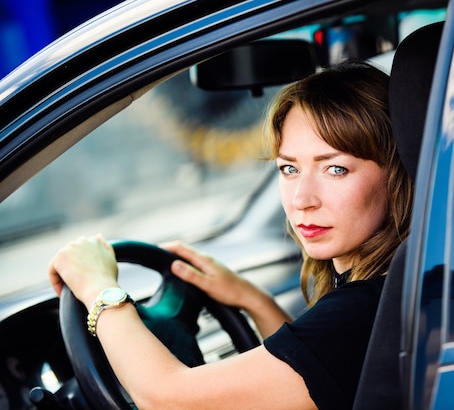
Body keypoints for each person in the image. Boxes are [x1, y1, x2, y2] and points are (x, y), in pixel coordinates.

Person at [48, 60, 414, 410]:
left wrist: (99, 289)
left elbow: (168, 398)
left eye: (335, 169)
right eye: (288, 168)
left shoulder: (363, 310)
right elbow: (313, 367)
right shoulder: (395, 286)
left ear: (398, 172)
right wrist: (251, 299)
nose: (302, 199)